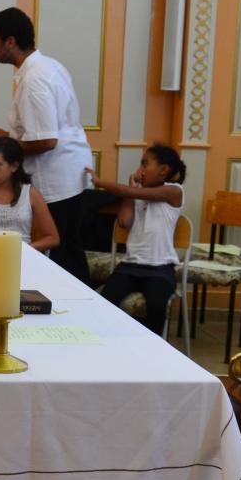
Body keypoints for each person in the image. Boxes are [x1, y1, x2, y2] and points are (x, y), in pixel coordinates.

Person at [0, 7, 95, 284]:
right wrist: (7, 135)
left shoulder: (34, 80)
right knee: (69, 251)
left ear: (10, 41)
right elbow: (43, 129)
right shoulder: (49, 66)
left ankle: (76, 307)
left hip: (56, 179)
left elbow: (46, 140)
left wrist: (7, 147)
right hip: (69, 174)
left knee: (64, 260)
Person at [86, 143, 187, 336]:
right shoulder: (137, 194)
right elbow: (124, 222)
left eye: (144, 164)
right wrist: (130, 194)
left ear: (163, 170)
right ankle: (108, 342)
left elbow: (130, 192)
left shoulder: (174, 191)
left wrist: (100, 182)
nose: (140, 170)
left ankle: (151, 348)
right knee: (106, 301)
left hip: (160, 269)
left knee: (156, 305)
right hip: (129, 267)